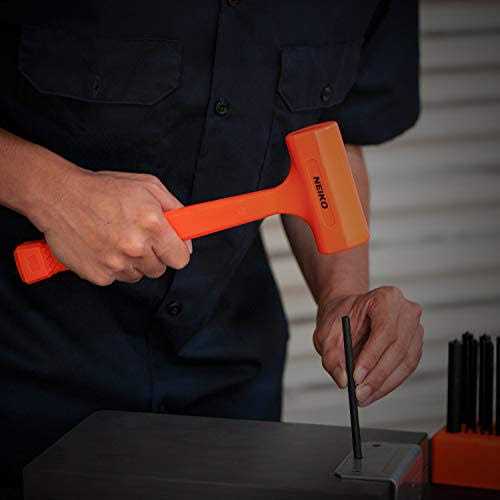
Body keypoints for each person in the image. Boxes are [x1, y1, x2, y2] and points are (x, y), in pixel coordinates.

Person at [0, 0, 423, 494]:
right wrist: (51, 191)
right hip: (26, 360)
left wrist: (343, 295)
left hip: (231, 372)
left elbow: (330, 146)